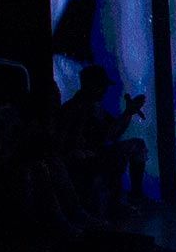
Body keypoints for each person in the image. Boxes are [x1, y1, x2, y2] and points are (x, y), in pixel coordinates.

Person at [58, 64, 149, 207]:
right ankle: (124, 200)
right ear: (92, 85)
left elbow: (113, 133)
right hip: (85, 158)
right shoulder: (78, 107)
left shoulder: (93, 106)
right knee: (129, 150)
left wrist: (128, 113)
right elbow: (108, 134)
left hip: (94, 154)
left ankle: (132, 197)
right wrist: (127, 113)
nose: (105, 90)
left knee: (136, 146)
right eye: (102, 85)